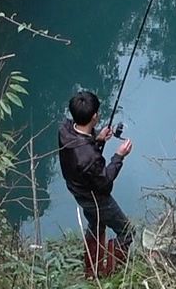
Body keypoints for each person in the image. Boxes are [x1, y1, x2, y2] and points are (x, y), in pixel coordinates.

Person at [56, 90, 134, 278]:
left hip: (79, 192)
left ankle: (92, 269)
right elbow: (105, 183)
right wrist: (119, 156)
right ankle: (111, 274)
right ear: (95, 116)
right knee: (126, 232)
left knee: (96, 225)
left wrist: (96, 137)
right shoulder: (90, 158)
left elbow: (80, 143)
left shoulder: (64, 130)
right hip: (96, 198)